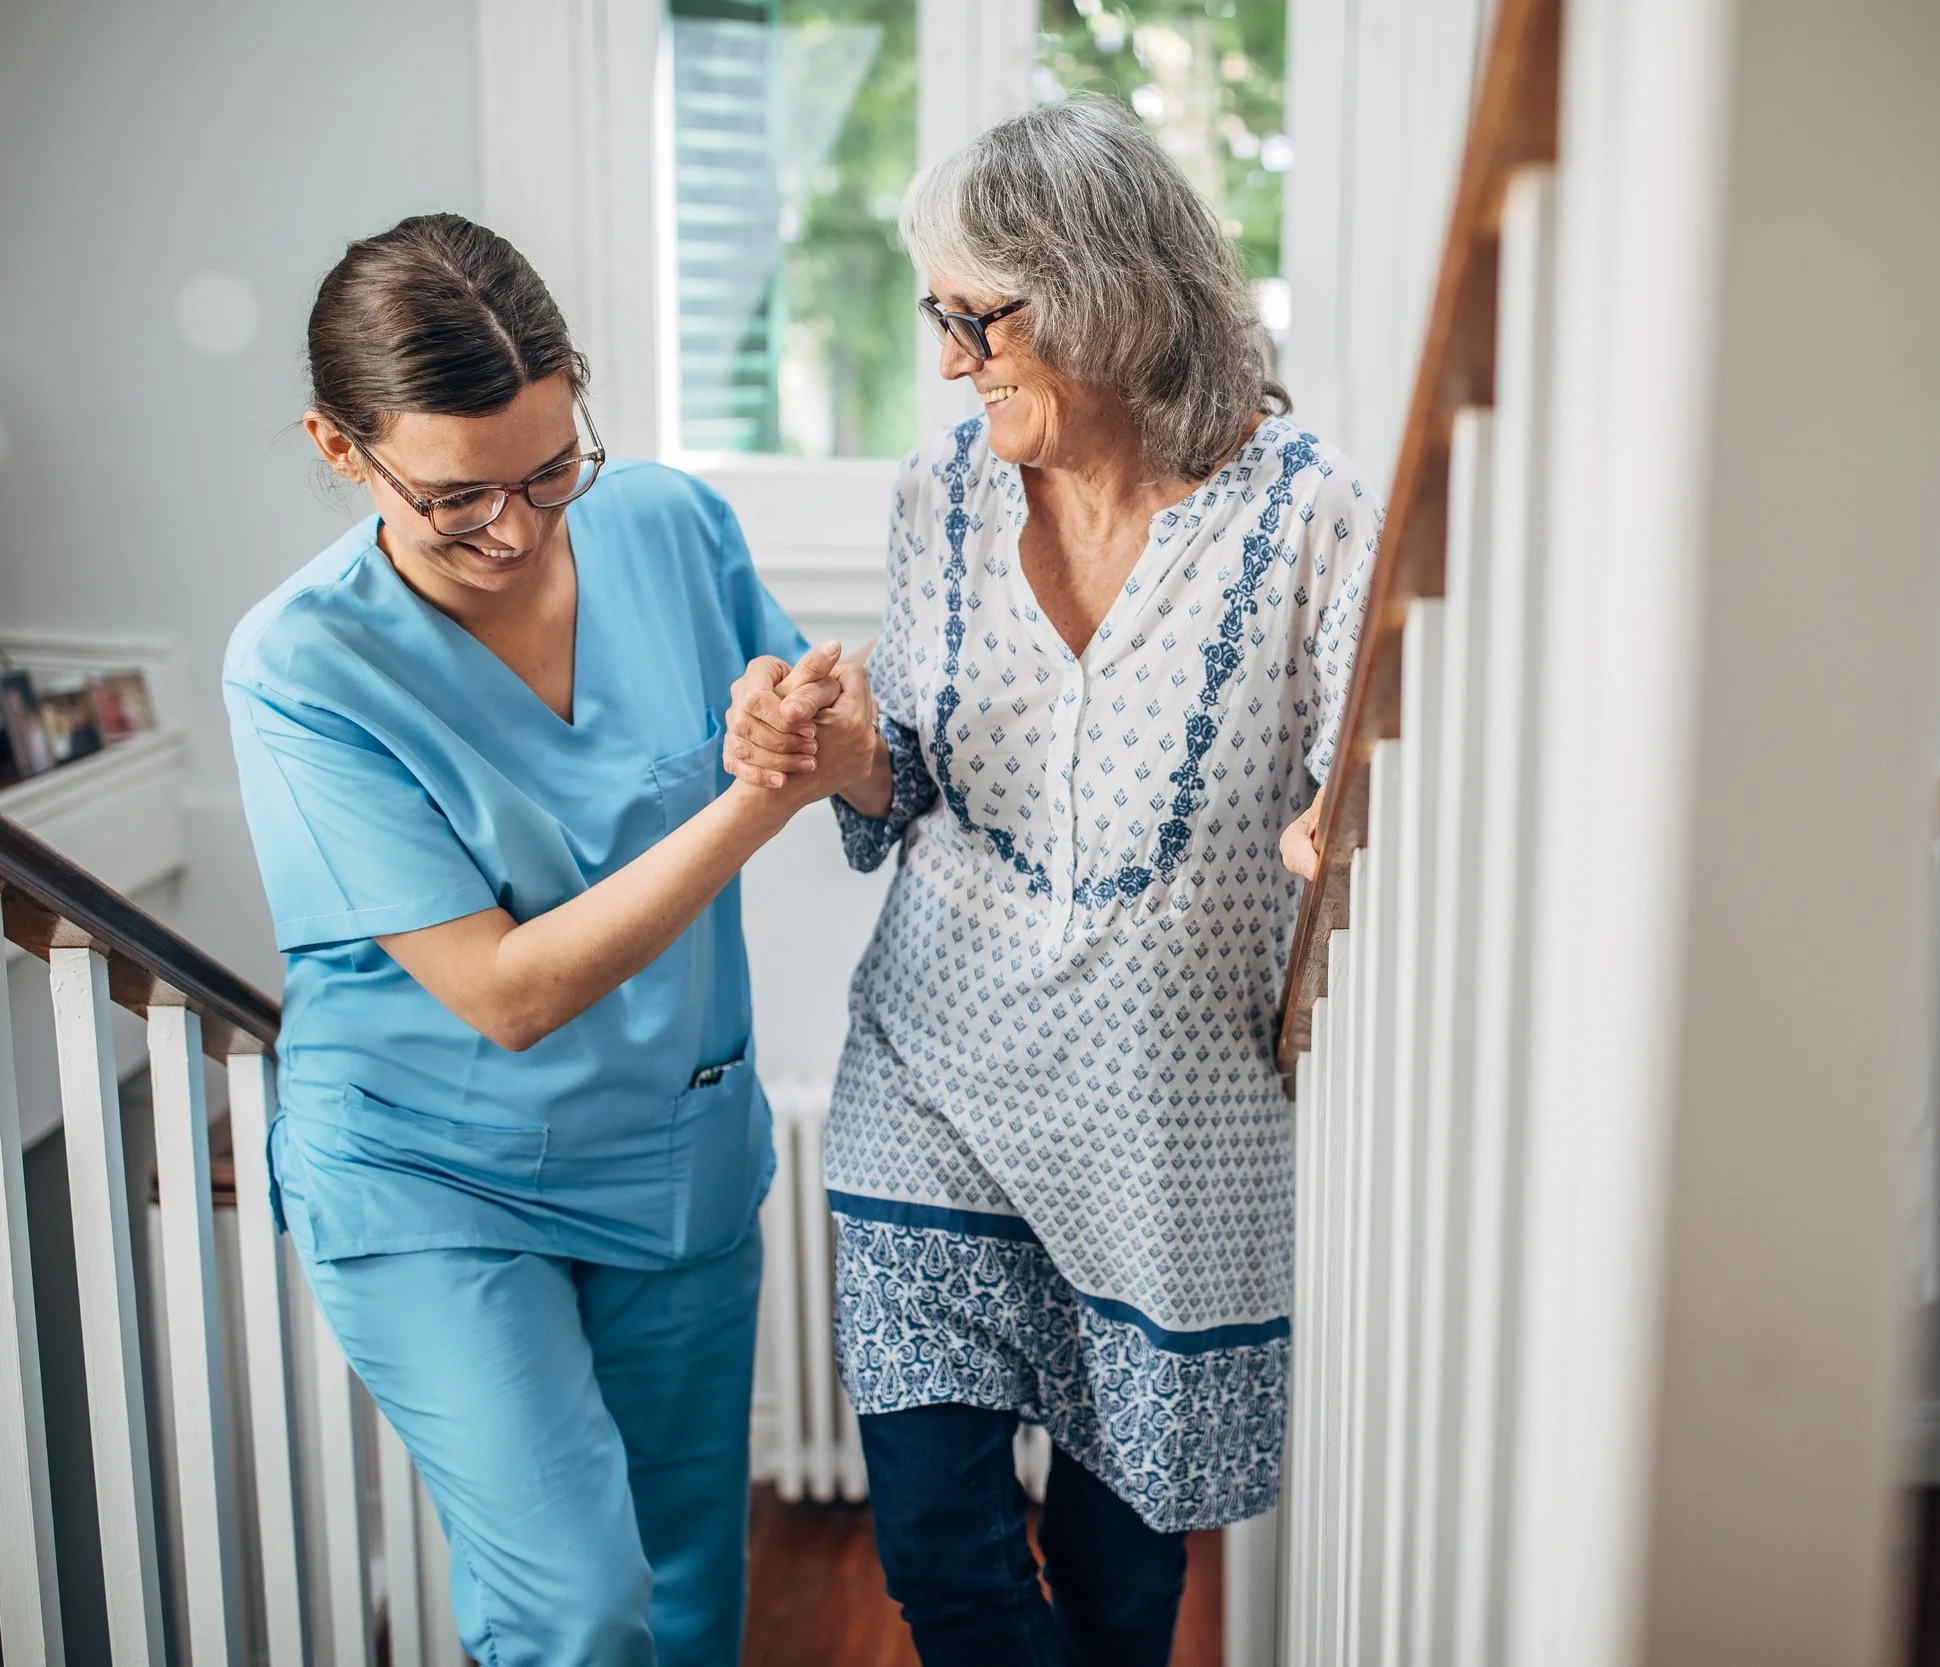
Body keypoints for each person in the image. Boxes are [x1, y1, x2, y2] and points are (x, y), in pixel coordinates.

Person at [723, 94, 1374, 1667]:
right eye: (938, 313)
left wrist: (1349, 830)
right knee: (943, 1557)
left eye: (980, 314)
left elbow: (1373, 780)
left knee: (1121, 1582)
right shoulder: (935, 495)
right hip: (931, 1074)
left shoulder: (1308, 513)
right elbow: (909, 791)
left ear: (1111, 290)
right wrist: (843, 752)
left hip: (1170, 1132)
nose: (952, 356)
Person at [225, 214, 847, 1666]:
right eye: (454, 498)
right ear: (338, 447)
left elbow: (817, 726)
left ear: (574, 390)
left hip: (672, 1144)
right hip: (432, 1174)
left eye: (550, 467)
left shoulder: (669, 524)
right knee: (575, 1601)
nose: (513, 528)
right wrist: (759, 796)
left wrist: (811, 718)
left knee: (690, 1575)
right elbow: (508, 991)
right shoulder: (303, 662)